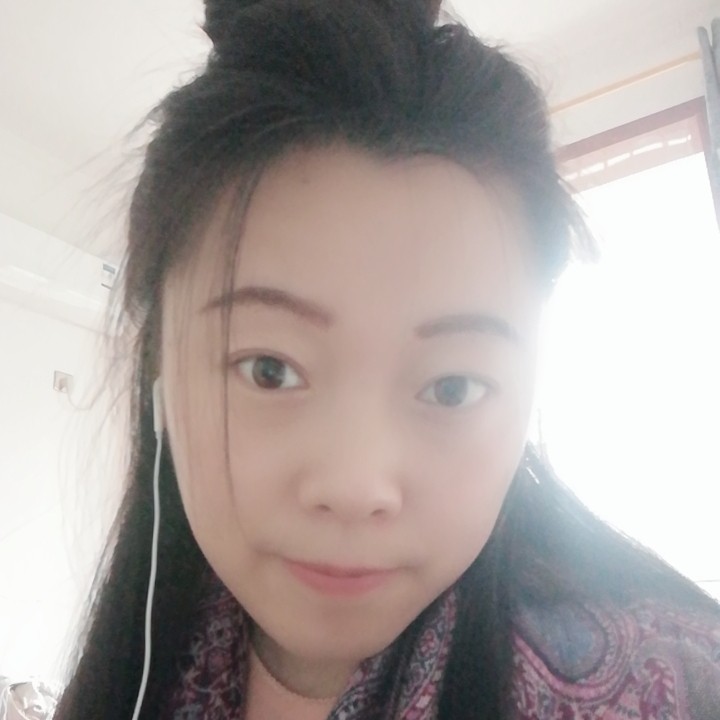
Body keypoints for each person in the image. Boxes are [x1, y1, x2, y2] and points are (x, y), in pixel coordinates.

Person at [53, 1, 720, 718]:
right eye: (270, 369)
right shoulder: (139, 667)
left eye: (453, 386)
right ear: (160, 376)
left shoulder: (668, 688)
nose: (355, 486)